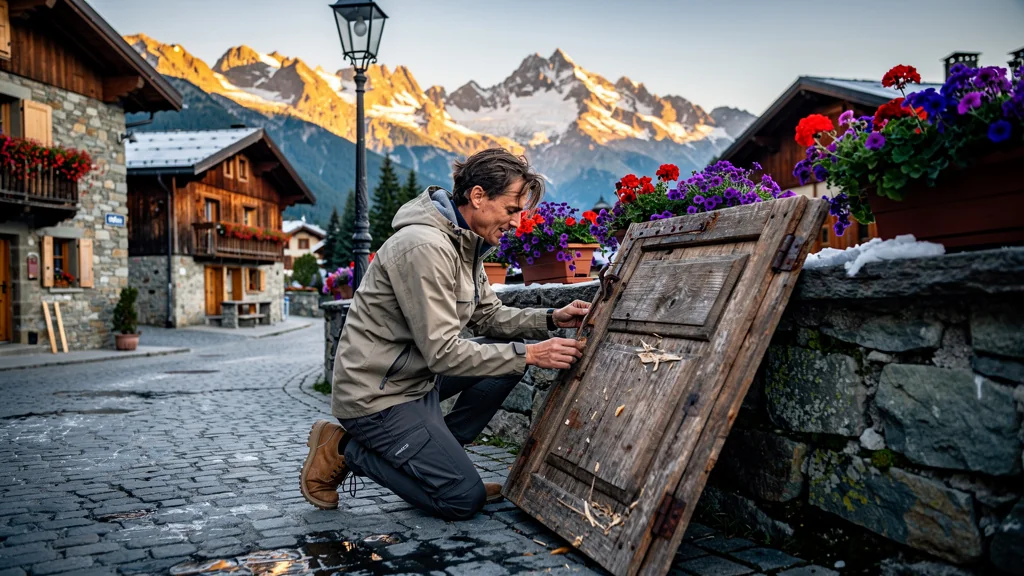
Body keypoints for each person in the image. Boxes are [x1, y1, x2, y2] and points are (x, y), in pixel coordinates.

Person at [299, 148, 590, 520]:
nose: (517, 222)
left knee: (507, 359)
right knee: (462, 500)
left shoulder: (464, 243)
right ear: (478, 196)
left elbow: (490, 316)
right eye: (511, 209)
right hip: (378, 397)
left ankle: (441, 464)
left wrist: (552, 317)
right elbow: (443, 353)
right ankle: (343, 448)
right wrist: (533, 354)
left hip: (414, 381)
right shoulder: (425, 248)